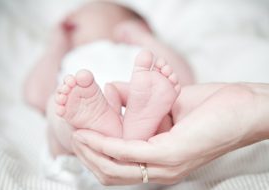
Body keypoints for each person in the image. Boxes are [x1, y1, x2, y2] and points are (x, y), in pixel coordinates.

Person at [24, 1, 194, 156]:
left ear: (136, 25)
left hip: (153, 157)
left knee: (169, 109)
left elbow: (185, 83)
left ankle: (137, 127)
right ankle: (105, 129)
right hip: (79, 157)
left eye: (84, 12)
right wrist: (57, 46)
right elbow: (36, 96)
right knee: (56, 106)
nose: (70, 18)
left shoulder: (141, 53)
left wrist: (144, 38)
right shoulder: (67, 57)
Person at [70, 82, 269, 185]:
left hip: (112, 100)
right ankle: (125, 129)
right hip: (95, 100)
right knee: (65, 118)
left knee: (65, 123)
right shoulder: (71, 52)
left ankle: (115, 131)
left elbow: (180, 80)